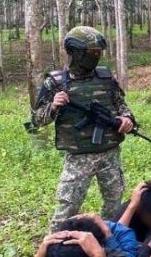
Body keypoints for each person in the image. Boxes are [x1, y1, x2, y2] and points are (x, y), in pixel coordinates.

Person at [31, 26, 137, 229]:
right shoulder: (56, 82)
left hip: (109, 154)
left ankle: (109, 243)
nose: (95, 57)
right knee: (67, 208)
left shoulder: (106, 78)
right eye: (91, 53)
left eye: (98, 53)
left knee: (114, 206)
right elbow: (36, 120)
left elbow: (121, 106)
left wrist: (126, 118)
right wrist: (53, 106)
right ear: (75, 53)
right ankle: (55, 248)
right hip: (78, 158)